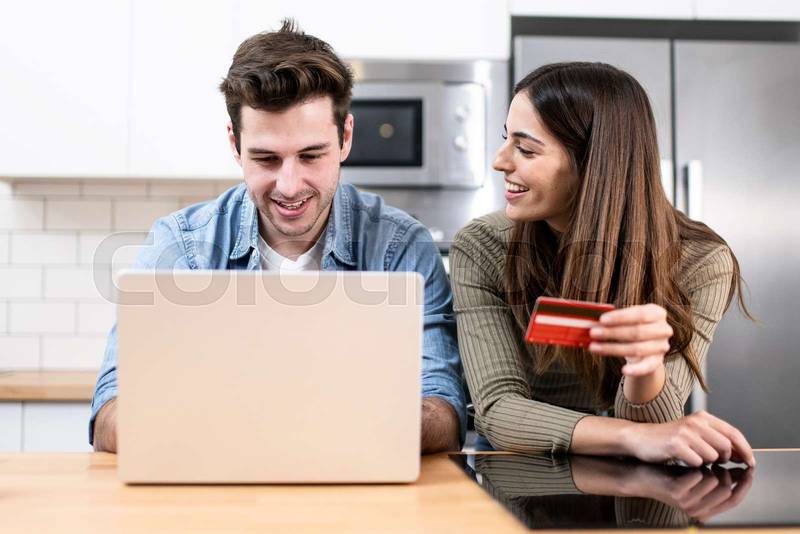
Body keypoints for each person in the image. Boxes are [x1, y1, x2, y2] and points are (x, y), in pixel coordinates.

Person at [90, 20, 464, 454]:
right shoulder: (181, 245)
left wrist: (322, 423)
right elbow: (109, 415)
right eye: (266, 158)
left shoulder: (401, 247)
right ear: (235, 144)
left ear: (344, 138)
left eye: (311, 155)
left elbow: (445, 412)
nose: (289, 185)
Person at [450, 62, 755, 467]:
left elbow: (657, 426)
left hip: (634, 473)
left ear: (594, 163)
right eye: (506, 140)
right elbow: (498, 410)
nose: (500, 161)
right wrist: (629, 435)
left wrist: (644, 369)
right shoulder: (483, 246)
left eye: (525, 148)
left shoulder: (701, 263)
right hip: (523, 465)